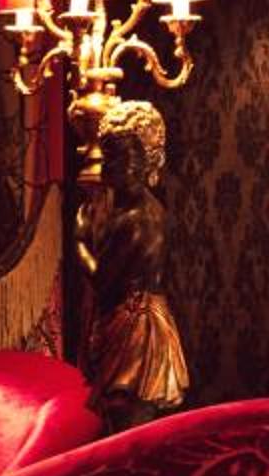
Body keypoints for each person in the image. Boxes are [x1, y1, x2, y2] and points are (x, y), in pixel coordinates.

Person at [77, 102, 188, 427]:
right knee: (116, 419)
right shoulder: (123, 212)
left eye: (120, 157)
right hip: (126, 319)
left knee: (129, 420)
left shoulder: (140, 219)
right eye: (107, 156)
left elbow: (102, 281)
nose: (107, 167)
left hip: (138, 328)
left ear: (146, 161)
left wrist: (80, 240)